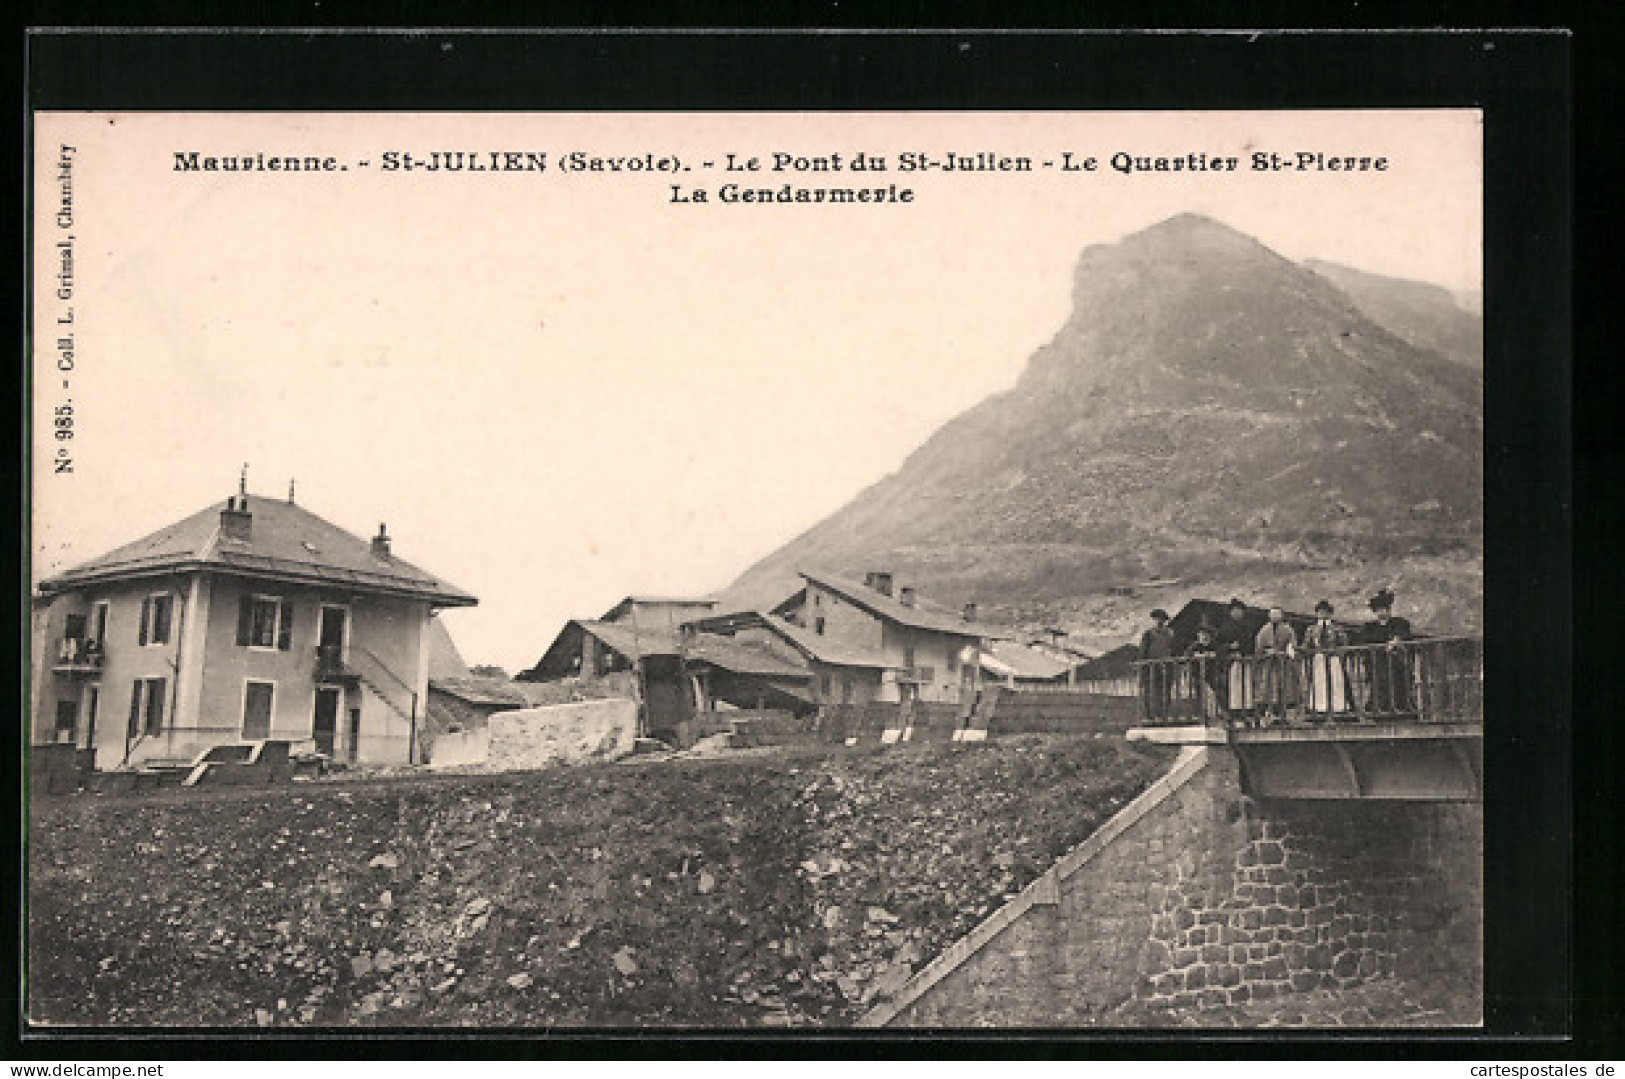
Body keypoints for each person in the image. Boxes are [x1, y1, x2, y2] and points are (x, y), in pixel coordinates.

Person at [1362, 588, 1413, 714]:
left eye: (1384, 609)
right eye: (1379, 610)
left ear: (1389, 610)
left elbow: (1402, 631)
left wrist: (1395, 640)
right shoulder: (1370, 627)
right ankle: (1380, 711)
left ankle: (1400, 710)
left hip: (1395, 662)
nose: (1382, 612)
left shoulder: (1398, 622)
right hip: (1378, 663)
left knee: (1398, 686)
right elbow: (1366, 641)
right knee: (1380, 687)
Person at [1301, 599, 1351, 720]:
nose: (1323, 614)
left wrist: (1337, 653)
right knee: (1319, 682)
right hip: (1319, 658)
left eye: (1325, 612)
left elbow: (1344, 644)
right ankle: (1319, 708)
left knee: (1335, 682)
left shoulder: (1337, 628)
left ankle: (1337, 707)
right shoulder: (1312, 629)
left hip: (1333, 658)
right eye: (1320, 612)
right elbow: (1307, 644)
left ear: (1330, 613)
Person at [1254, 606, 1299, 723]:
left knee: (1284, 687)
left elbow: (1292, 645)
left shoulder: (1288, 630)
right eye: (1272, 615)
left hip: (1283, 663)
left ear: (1281, 616)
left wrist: (1285, 652)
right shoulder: (1264, 631)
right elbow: (1258, 648)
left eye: (1277, 614)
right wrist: (1266, 652)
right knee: (1269, 687)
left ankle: (1283, 714)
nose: (1275, 617)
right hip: (1268, 664)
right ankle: (1269, 713)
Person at [1219, 598, 1256, 721]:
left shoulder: (1248, 626)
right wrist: (1230, 647)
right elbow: (1219, 645)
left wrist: (1249, 654)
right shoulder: (1225, 628)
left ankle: (1247, 709)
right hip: (1232, 660)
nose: (1237, 613)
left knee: (1247, 684)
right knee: (1234, 685)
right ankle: (1235, 711)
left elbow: (1252, 643)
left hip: (1246, 660)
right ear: (1231, 612)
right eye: (1235, 610)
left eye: (1239, 610)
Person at [1186, 620, 1227, 722]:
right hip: (1197, 674)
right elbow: (1188, 655)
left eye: (1206, 634)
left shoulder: (1215, 645)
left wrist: (1214, 655)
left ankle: (1223, 712)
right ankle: (1200, 714)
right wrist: (1196, 656)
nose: (1204, 637)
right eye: (1202, 635)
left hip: (1212, 673)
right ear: (1198, 636)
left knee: (1219, 690)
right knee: (1198, 692)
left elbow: (1221, 653)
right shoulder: (1194, 646)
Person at [1138, 609, 1175, 720]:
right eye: (1157, 619)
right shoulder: (1149, 634)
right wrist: (1143, 666)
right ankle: (1150, 715)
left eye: (1162, 619)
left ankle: (1163, 714)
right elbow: (1143, 652)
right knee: (1151, 690)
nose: (1159, 621)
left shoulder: (1170, 633)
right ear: (1153, 620)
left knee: (1165, 690)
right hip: (1152, 667)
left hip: (1166, 665)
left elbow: (1172, 649)